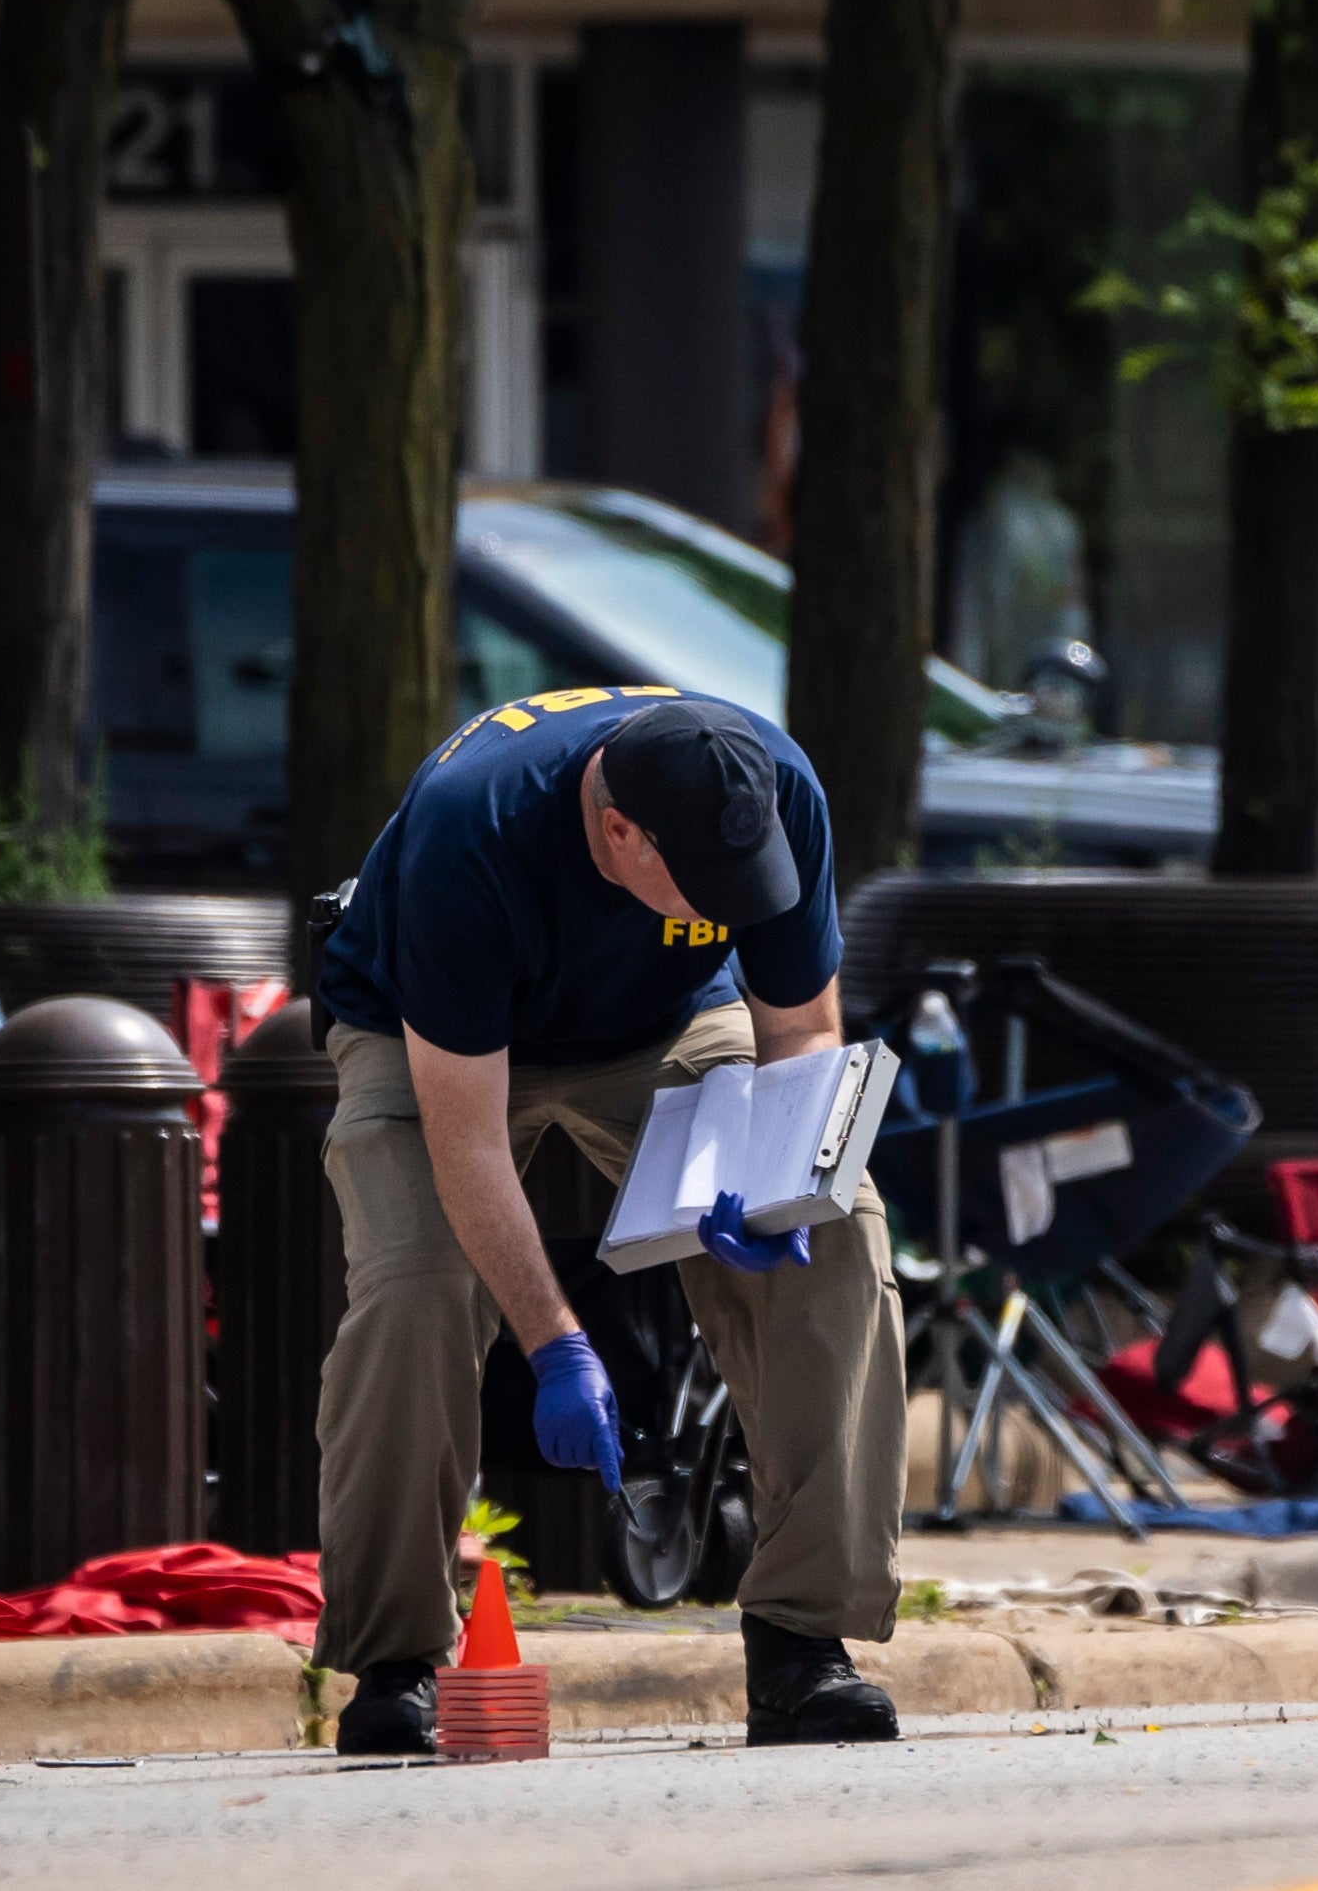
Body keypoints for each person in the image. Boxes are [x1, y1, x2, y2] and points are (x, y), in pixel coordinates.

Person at [309, 686, 905, 1755]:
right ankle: (394, 1658)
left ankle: (801, 1643)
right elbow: (469, 1144)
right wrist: (558, 1346)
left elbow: (805, 1028)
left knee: (845, 1230)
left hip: (661, 1024)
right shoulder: (470, 829)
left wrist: (781, 1172)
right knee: (415, 1289)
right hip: (427, 1039)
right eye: (708, 887)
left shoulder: (773, 784)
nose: (733, 903)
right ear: (618, 832)